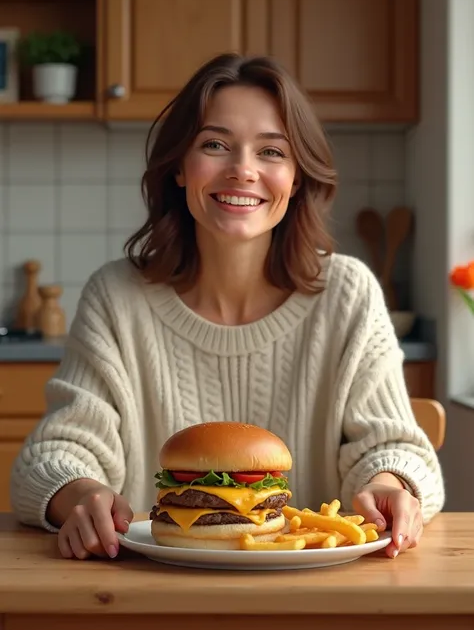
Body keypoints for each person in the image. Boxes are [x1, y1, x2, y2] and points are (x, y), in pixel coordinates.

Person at [10, 53, 444, 562]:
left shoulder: (348, 293)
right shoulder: (116, 297)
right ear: (178, 168)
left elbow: (393, 447)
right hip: (148, 592)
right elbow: (58, 453)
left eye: (272, 152)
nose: (242, 170)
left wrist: (390, 482)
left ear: (297, 178)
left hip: (319, 596)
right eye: (215, 145)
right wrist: (79, 494)